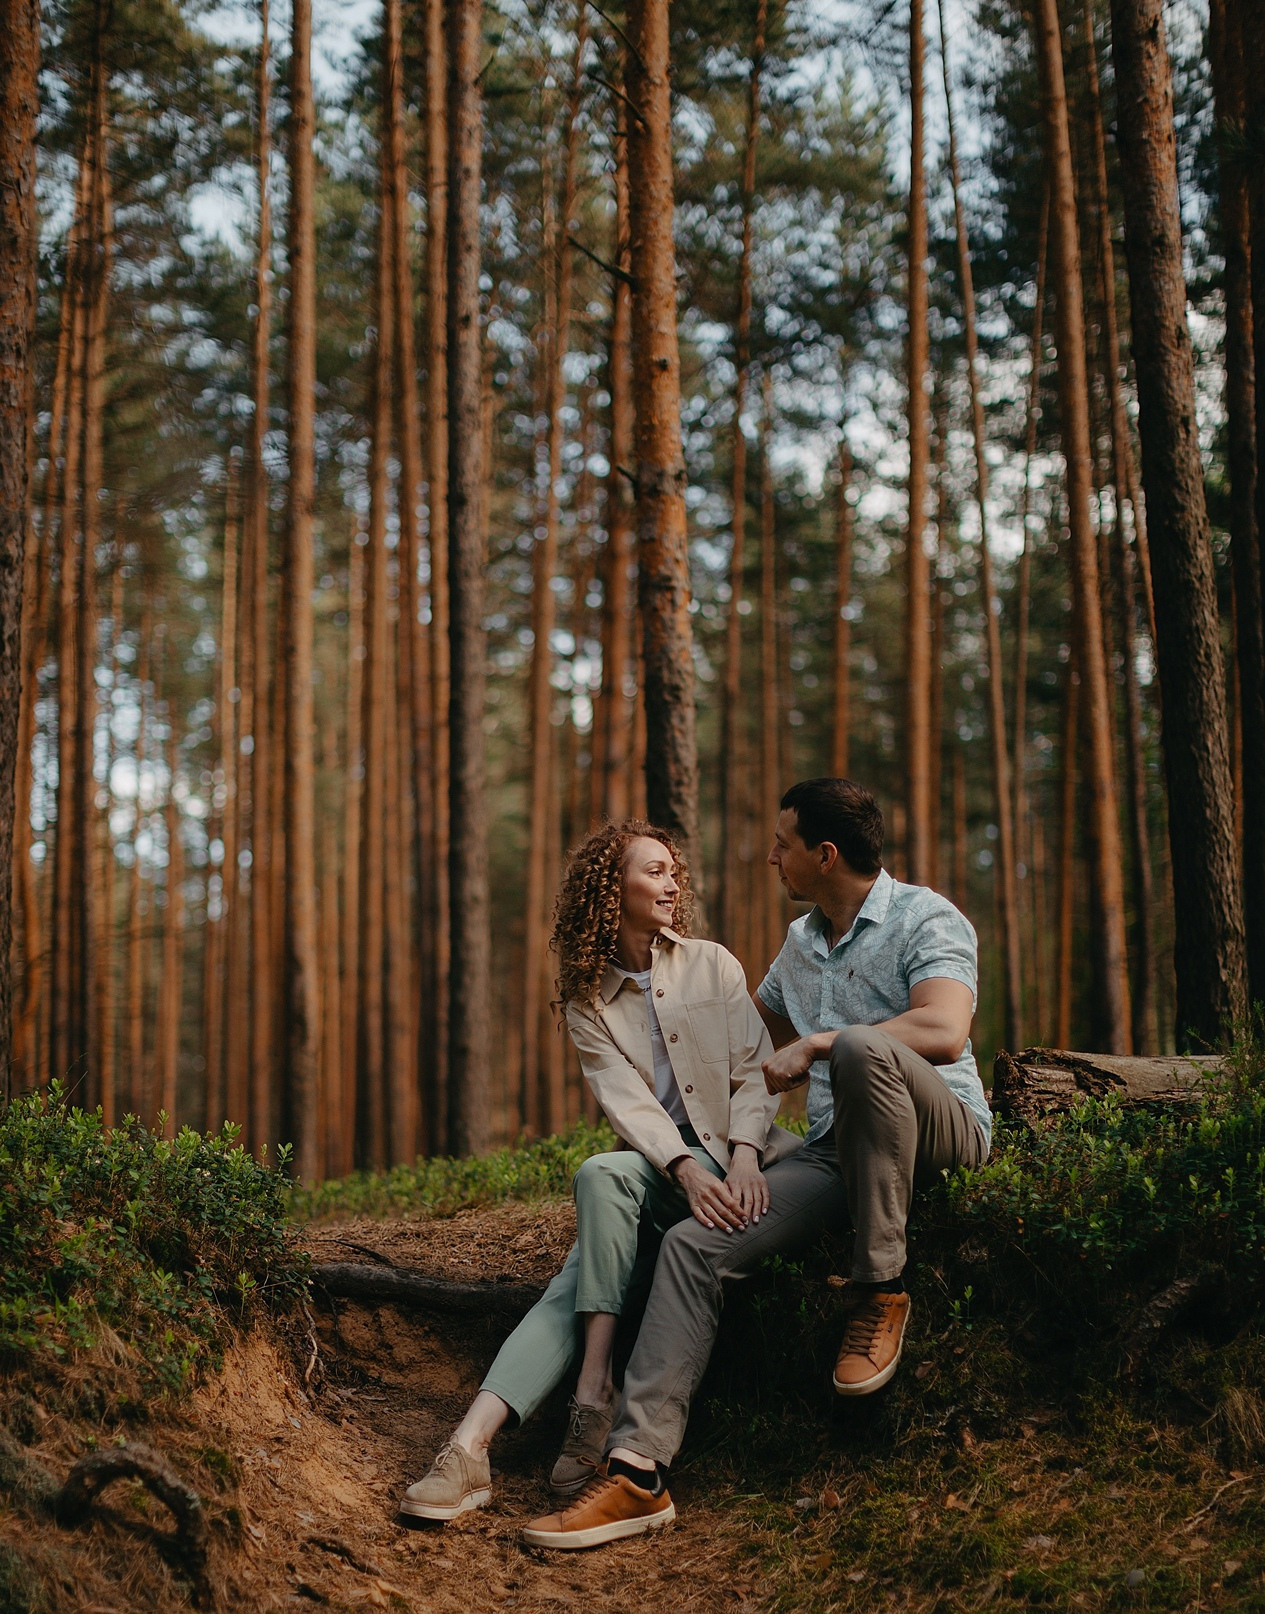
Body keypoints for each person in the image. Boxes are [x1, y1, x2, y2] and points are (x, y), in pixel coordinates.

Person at [521, 777, 990, 1548]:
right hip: (837, 1154)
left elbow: (941, 1030)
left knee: (864, 1042)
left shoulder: (923, 915)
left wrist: (819, 1042)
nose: (770, 857)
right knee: (693, 1245)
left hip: (942, 1132)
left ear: (824, 853)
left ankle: (880, 1289)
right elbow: (735, 1033)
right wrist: (687, 1135)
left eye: (782, 844)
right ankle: (637, 1472)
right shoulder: (800, 943)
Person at [398, 819, 799, 1529]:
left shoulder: (714, 964)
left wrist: (738, 1156)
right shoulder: (587, 999)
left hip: (739, 1158)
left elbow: (755, 1073)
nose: (672, 883)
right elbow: (628, 1103)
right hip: (659, 1171)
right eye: (653, 871)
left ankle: (587, 1399)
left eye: (673, 871)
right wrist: (681, 1168)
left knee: (580, 1263)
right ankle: (471, 1447)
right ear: (609, 890)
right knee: (602, 1175)